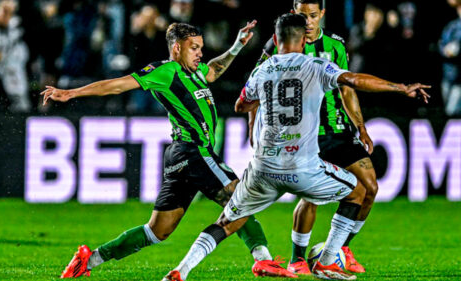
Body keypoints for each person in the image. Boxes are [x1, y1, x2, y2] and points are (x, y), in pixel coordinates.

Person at [162, 13, 430, 281]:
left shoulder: (262, 70)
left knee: (226, 222)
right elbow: (354, 81)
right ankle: (326, 261)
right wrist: (400, 88)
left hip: (263, 169)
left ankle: (181, 270)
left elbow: (241, 105)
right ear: (304, 41)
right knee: (358, 191)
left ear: (276, 40)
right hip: (302, 168)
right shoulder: (316, 65)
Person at [42, 21, 295, 278]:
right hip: (193, 151)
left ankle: (89, 259)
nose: (200, 53)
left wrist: (236, 46)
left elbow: (215, 70)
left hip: (180, 157)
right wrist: (71, 93)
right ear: (176, 48)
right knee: (241, 198)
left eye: (201, 48)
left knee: (157, 231)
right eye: (194, 48)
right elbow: (118, 84)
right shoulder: (167, 71)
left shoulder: (195, 73)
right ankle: (263, 259)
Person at [252, 0, 376, 274]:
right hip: (306, 133)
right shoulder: (280, 45)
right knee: (313, 195)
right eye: (301, 16)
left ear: (322, 14)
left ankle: (340, 249)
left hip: (337, 129)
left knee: (369, 187)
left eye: (312, 15)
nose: (307, 22)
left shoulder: (335, 45)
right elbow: (257, 87)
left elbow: (347, 88)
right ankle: (298, 258)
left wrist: (360, 126)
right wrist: (255, 128)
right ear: (293, 14)